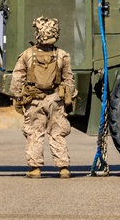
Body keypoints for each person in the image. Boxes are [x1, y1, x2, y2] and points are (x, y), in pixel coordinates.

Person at [10, 17, 76, 178]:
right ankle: (63, 168)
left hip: (34, 101)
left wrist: (18, 97)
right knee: (57, 133)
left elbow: (16, 78)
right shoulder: (62, 55)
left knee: (34, 133)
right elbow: (69, 80)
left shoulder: (27, 55)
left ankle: (35, 169)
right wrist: (69, 98)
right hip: (55, 100)